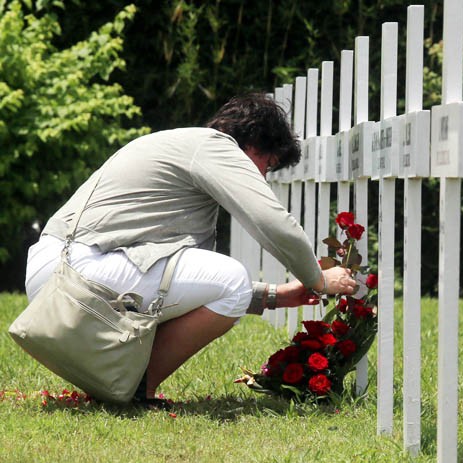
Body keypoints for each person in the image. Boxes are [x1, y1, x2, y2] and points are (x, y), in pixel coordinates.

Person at [24, 93, 356, 405]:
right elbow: (271, 223)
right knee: (231, 278)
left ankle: (128, 383)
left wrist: (273, 296)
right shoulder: (216, 148)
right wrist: (318, 280)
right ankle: (136, 388)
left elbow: (169, 277)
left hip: (61, 271)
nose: (262, 178)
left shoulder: (185, 147)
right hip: (76, 274)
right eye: (267, 166)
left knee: (229, 282)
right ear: (252, 144)